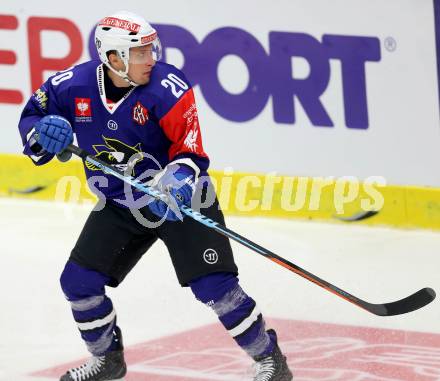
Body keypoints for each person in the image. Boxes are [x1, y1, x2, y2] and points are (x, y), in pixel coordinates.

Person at [18, 11, 293, 381]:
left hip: (179, 201)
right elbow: (34, 118)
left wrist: (179, 176)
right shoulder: (72, 85)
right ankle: (107, 361)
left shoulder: (168, 87)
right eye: (141, 53)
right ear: (113, 58)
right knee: (78, 282)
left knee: (215, 287)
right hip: (118, 201)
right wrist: (44, 135)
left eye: (152, 50)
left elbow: (191, 152)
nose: (152, 59)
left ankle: (270, 360)